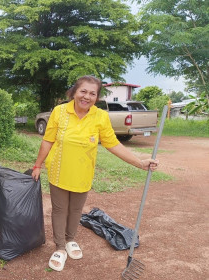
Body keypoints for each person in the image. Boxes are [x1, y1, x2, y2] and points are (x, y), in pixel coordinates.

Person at [31, 75, 159, 271]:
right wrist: (38, 165)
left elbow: (113, 144)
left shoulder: (100, 116)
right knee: (60, 210)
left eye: (92, 93)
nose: (86, 97)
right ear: (74, 92)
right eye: (83, 91)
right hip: (59, 170)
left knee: (75, 210)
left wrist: (139, 163)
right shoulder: (60, 112)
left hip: (83, 172)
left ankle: (70, 239)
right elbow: (48, 140)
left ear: (97, 97)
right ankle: (59, 247)